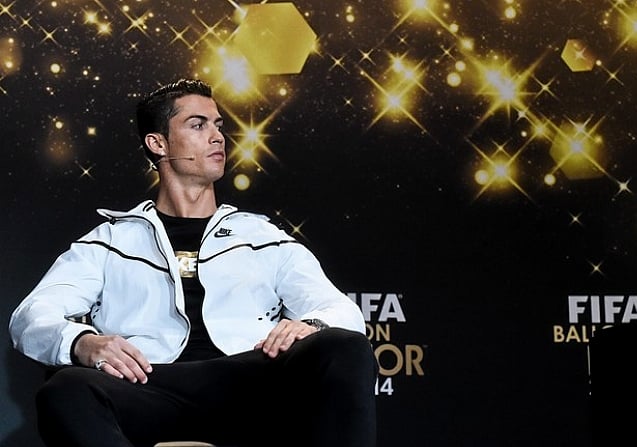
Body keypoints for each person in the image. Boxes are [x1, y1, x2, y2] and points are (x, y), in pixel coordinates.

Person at [8, 78, 377, 447]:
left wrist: (309, 324)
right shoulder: (109, 241)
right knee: (67, 388)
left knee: (343, 347)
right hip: (150, 385)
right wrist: (82, 342)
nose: (217, 137)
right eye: (198, 125)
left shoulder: (262, 236)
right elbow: (31, 316)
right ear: (158, 144)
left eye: (218, 126)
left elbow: (342, 311)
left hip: (250, 383)